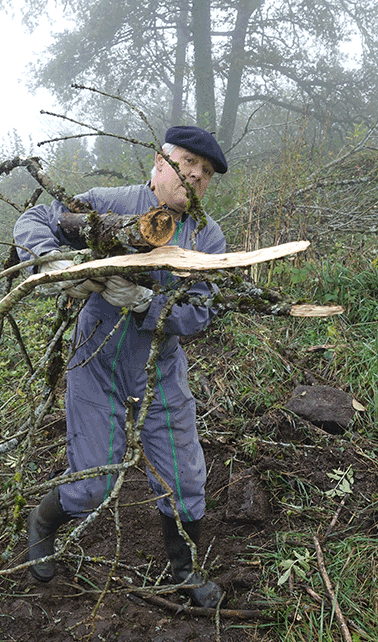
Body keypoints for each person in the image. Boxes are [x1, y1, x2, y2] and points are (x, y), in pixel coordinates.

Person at [13, 126, 228, 608]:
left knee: (185, 478)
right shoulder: (109, 204)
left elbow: (201, 313)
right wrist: (51, 262)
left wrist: (148, 303)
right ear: (160, 162)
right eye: (188, 163)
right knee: (93, 484)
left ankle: (185, 571)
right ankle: (42, 523)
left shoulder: (207, 237)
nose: (196, 175)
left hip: (159, 367)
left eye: (206, 172)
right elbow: (37, 218)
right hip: (96, 361)